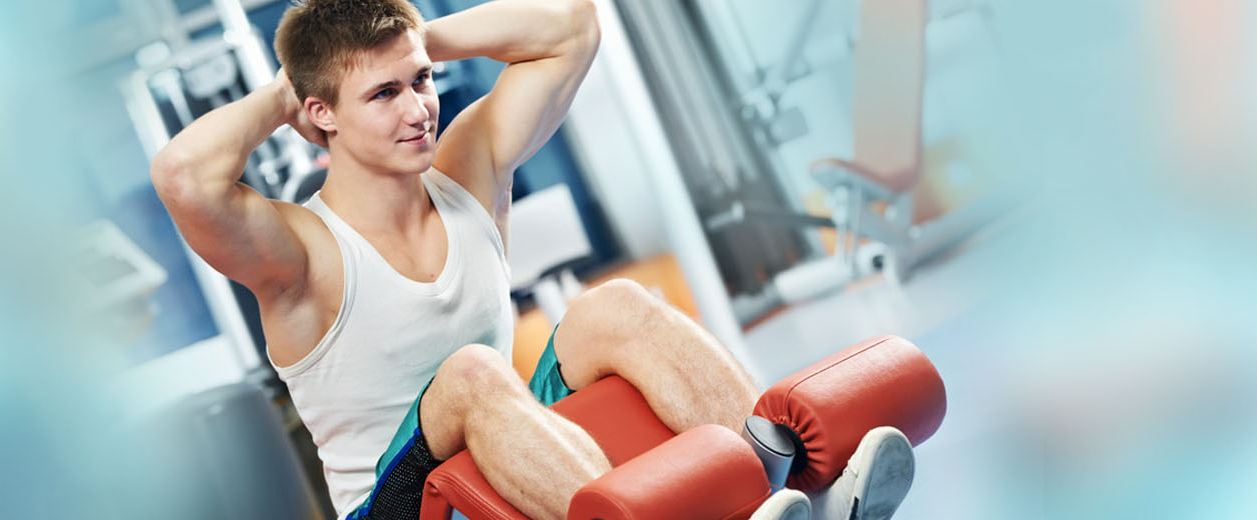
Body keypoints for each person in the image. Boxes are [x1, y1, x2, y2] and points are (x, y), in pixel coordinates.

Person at [150, 1, 913, 519]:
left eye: (421, 81)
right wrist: (288, 92)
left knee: (613, 308)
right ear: (322, 115)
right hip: (396, 504)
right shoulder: (298, 255)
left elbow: (573, 25)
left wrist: (415, 39)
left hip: (505, 436)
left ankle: (793, 491)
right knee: (473, 374)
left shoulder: (466, 171)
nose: (418, 109)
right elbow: (183, 176)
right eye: (383, 94)